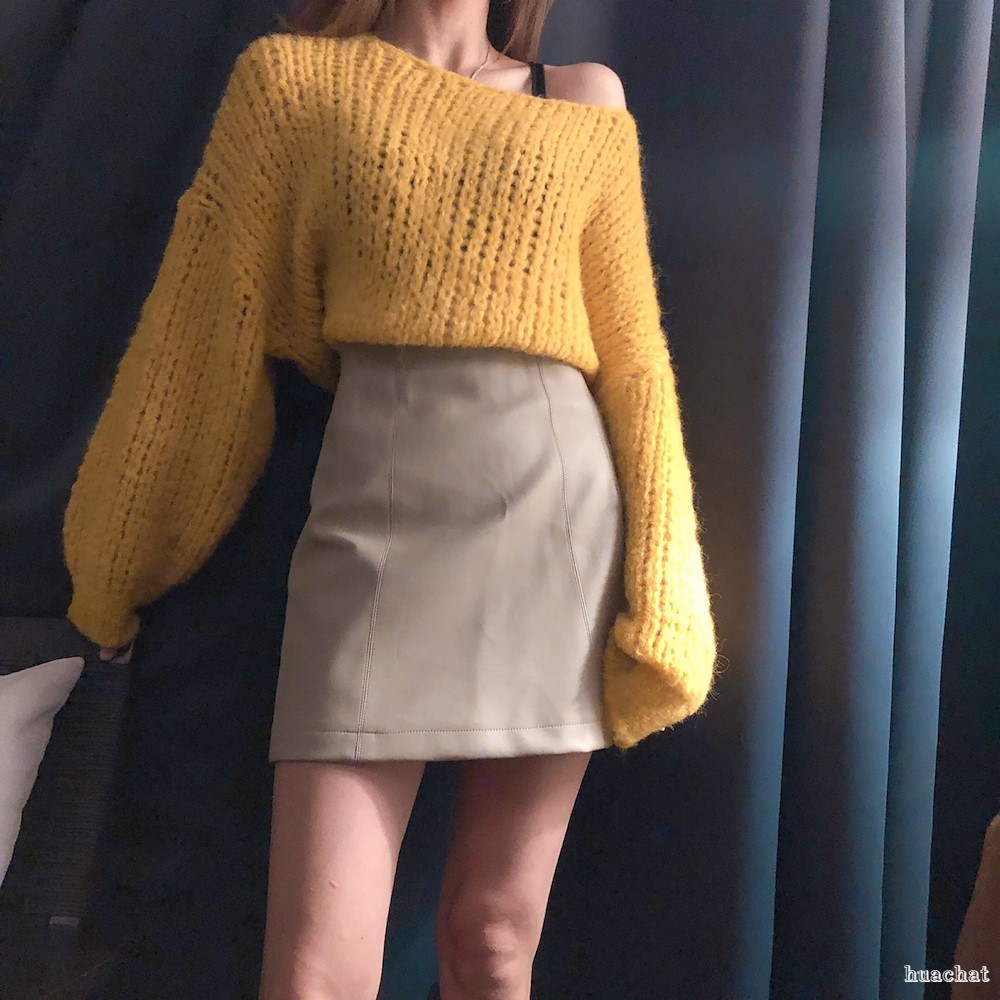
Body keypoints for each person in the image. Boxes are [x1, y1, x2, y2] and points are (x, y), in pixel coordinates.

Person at [63, 0, 719, 996]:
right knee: (313, 973)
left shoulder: (584, 97)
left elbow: (633, 355)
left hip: (556, 531)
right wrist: (115, 564)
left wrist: (666, 572)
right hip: (370, 530)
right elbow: (203, 337)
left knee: (492, 941)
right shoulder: (290, 82)